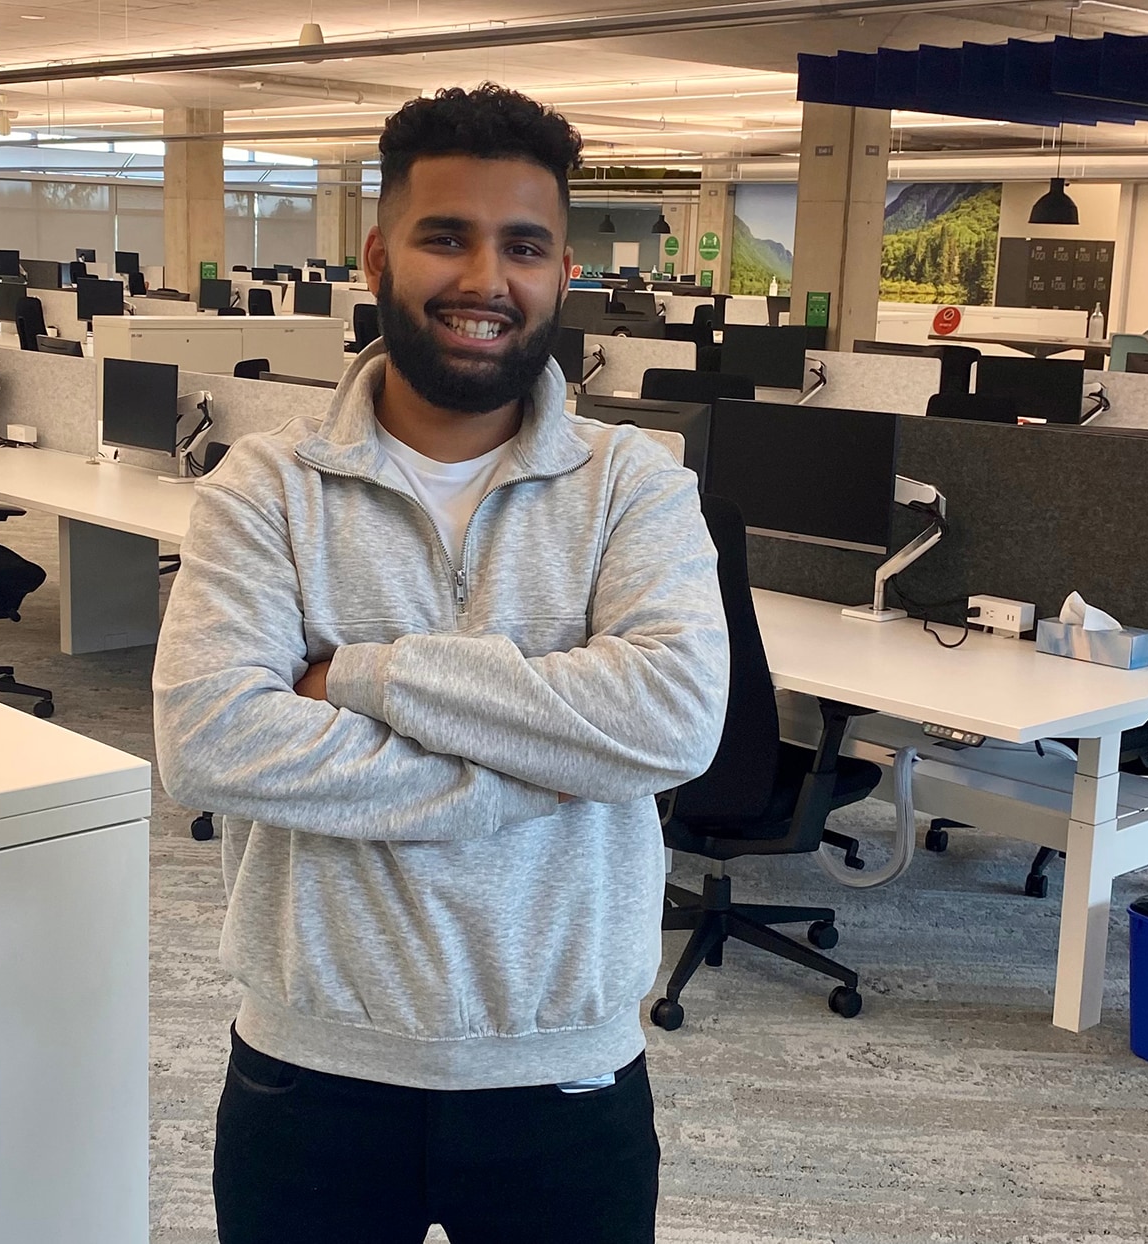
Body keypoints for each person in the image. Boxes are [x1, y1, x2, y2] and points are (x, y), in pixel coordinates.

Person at [152, 83, 730, 1244]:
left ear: (564, 269)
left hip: (561, 1077)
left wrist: (360, 674)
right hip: (308, 1068)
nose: (484, 278)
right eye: (445, 236)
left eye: (522, 245)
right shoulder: (264, 487)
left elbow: (671, 721)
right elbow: (209, 742)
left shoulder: (635, 483)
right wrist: (560, 758)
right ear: (378, 256)